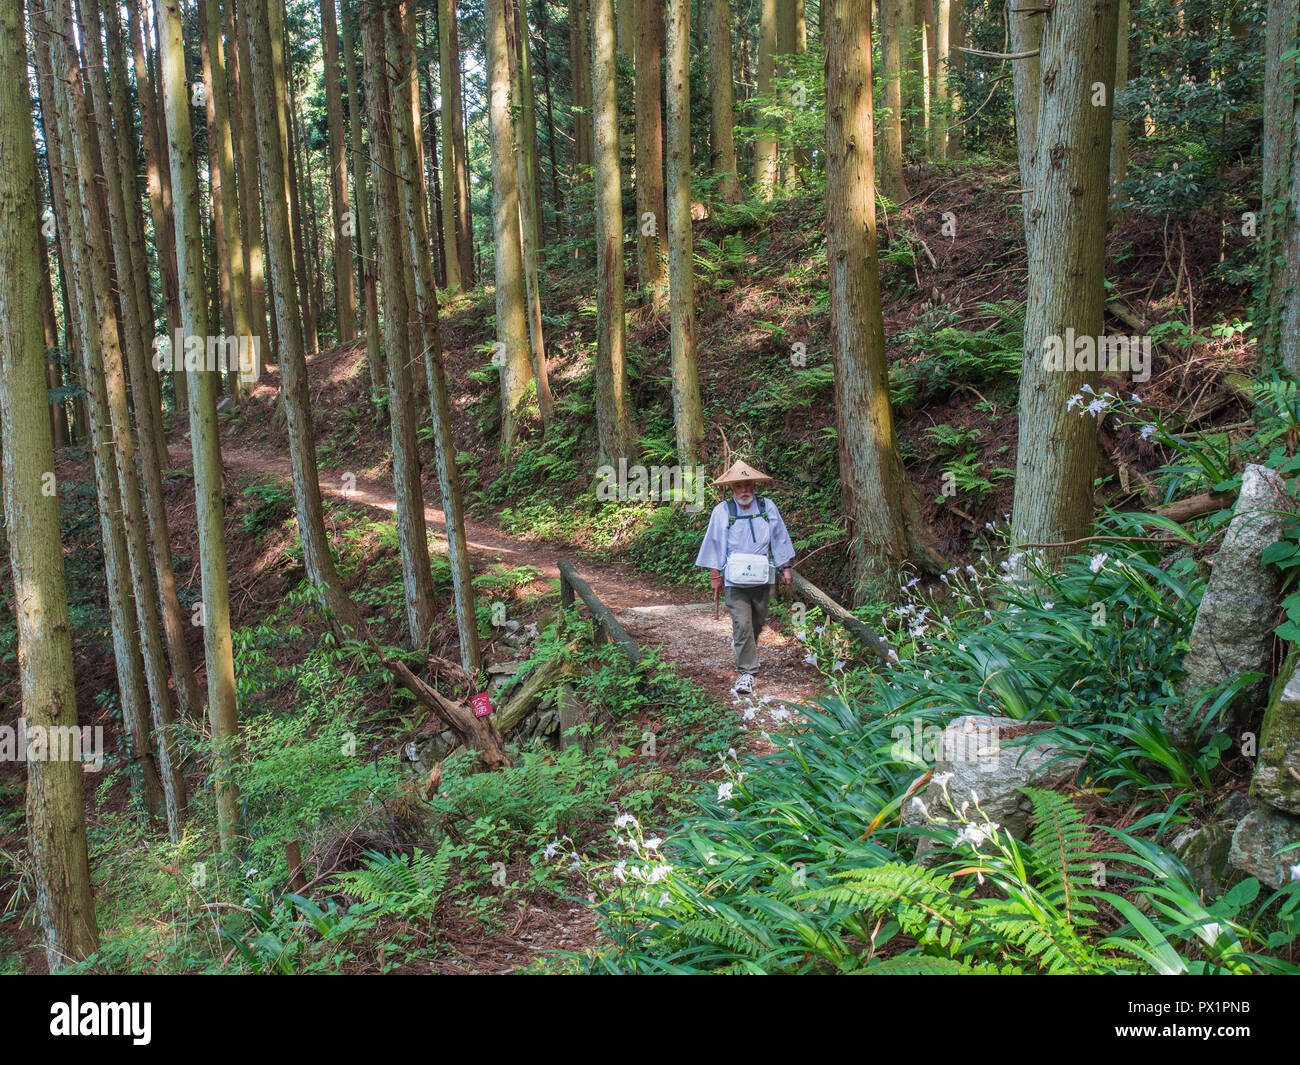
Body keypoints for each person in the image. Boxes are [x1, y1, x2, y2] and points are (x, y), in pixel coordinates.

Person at [694, 461, 796, 694]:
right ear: (732, 489)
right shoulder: (723, 511)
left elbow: (779, 537)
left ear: (754, 486)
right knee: (742, 623)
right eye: (739, 485)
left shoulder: (767, 507)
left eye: (748, 484)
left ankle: (743, 644)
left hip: (761, 577)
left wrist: (785, 566)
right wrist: (715, 575)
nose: (744, 490)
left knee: (757, 623)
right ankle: (747, 673)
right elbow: (714, 543)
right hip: (734, 580)